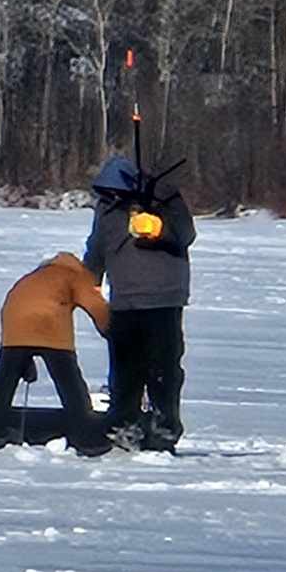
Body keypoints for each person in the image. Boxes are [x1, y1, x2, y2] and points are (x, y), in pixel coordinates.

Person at [83, 154, 196, 450]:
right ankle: (124, 427)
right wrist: (84, 283)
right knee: (124, 372)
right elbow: (96, 247)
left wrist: (159, 230)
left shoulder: (164, 198)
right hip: (124, 303)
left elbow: (185, 234)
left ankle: (164, 429)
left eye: (116, 191)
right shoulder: (106, 209)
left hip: (163, 300)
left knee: (163, 369)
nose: (112, 197)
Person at [0, 251, 111, 455]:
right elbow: (96, 306)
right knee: (70, 384)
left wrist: (23, 358)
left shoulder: (34, 276)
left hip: (15, 325)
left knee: (4, 380)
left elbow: (17, 304)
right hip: (49, 325)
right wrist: (113, 331)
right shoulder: (77, 275)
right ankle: (87, 439)